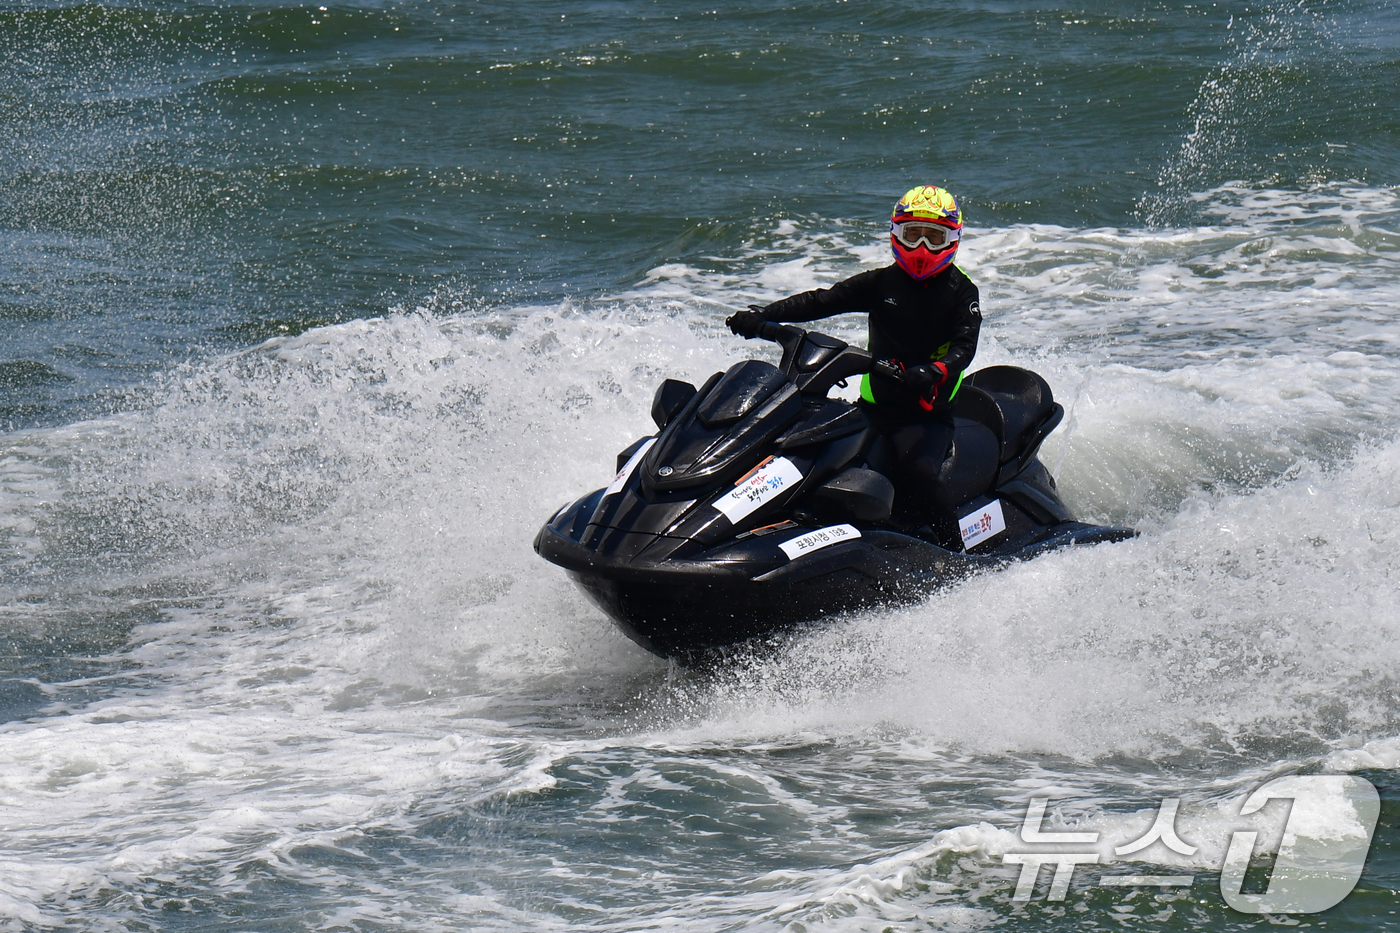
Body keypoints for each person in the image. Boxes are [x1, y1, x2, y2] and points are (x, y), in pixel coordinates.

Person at [724, 185, 981, 519]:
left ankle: (955, 549)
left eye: (933, 237)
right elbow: (822, 301)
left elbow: (965, 346)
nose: (921, 247)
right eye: (913, 234)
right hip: (873, 409)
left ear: (952, 240)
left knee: (918, 474)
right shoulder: (881, 282)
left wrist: (935, 370)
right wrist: (764, 315)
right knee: (821, 456)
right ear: (896, 233)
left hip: (927, 417)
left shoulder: (961, 291)